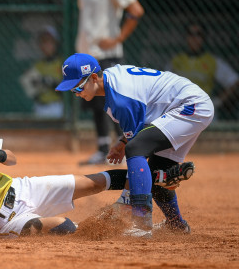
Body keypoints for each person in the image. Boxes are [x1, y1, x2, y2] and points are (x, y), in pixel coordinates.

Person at [0, 115, 193, 238]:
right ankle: (146, 231)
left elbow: (13, 158)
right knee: (68, 228)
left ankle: (156, 178)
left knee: (96, 181)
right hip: (7, 221)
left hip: (22, 188)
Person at [55, 53, 214, 237]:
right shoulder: (112, 83)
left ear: (93, 78)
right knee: (152, 172)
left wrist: (126, 197)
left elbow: (138, 146)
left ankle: (141, 222)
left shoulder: (121, 98)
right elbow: (137, 130)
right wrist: (123, 142)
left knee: (137, 151)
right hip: (180, 107)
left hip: (190, 105)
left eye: (78, 87)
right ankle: (177, 224)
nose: (77, 93)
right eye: (72, 90)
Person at [76, 0, 144, 165]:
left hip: (108, 54)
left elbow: (136, 10)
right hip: (88, 54)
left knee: (114, 100)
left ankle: (126, 148)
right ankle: (102, 148)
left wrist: (117, 39)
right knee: (93, 101)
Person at [168, 23, 239, 119]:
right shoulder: (176, 60)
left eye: (198, 34)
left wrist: (218, 101)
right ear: (186, 37)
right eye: (191, 34)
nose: (194, 38)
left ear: (204, 38)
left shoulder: (212, 61)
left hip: (203, 110)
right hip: (179, 109)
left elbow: (234, 81)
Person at [20, 26, 64, 118]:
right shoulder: (37, 66)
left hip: (57, 107)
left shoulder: (63, 63)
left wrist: (52, 83)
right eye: (43, 42)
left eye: (49, 42)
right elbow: (30, 89)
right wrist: (38, 84)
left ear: (56, 43)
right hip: (40, 107)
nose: (46, 46)